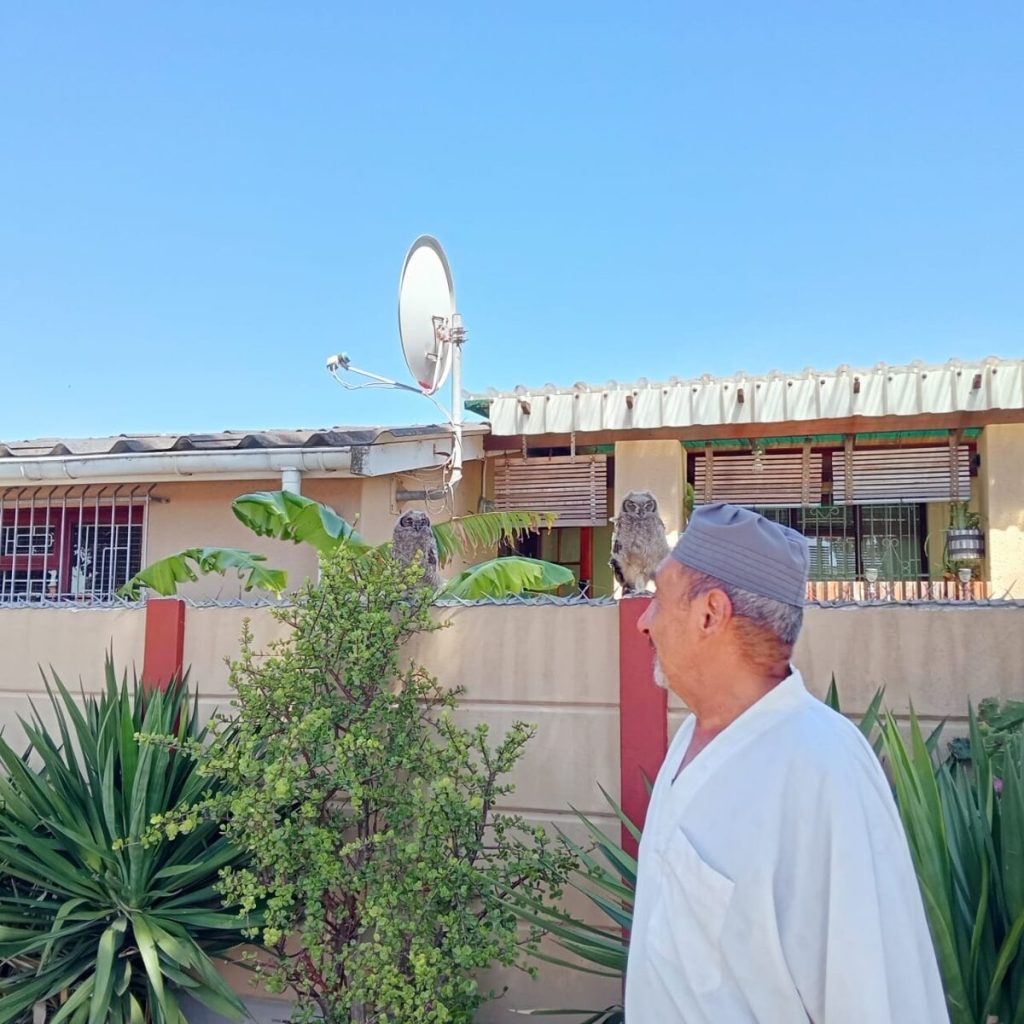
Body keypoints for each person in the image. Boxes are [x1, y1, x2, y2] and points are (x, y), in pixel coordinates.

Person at [624, 502, 949, 1023]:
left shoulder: (825, 770)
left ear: (710, 614)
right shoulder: (693, 735)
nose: (644, 622)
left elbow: (877, 998)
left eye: (659, 599)